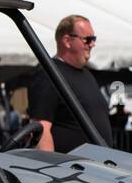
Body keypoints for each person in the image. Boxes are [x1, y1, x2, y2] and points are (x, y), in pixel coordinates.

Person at [25, 15, 112, 152]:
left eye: (93, 39)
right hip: (70, 168)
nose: (92, 44)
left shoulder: (87, 74)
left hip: (96, 166)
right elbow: (40, 127)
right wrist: (51, 169)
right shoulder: (49, 73)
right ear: (67, 41)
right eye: (87, 39)